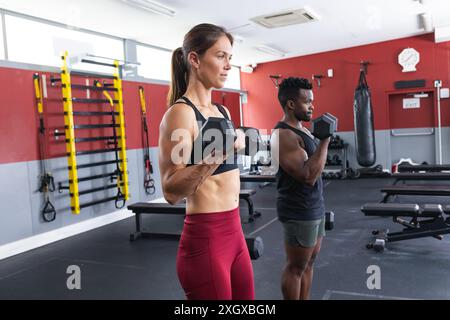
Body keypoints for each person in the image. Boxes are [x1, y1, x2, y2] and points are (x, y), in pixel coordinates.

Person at [158, 23, 254, 300]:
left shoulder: (222, 110)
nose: (227, 66)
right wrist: (220, 153)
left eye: (230, 58)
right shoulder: (181, 114)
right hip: (206, 240)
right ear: (195, 59)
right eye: (220, 56)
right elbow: (171, 191)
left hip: (235, 233)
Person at [270, 77, 329, 300]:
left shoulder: (303, 131)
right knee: (295, 268)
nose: (312, 106)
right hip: (298, 210)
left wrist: (322, 140)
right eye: (307, 102)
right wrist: (325, 140)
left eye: (312, 101)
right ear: (291, 104)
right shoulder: (283, 135)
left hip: (314, 206)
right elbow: (308, 176)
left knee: (309, 263)